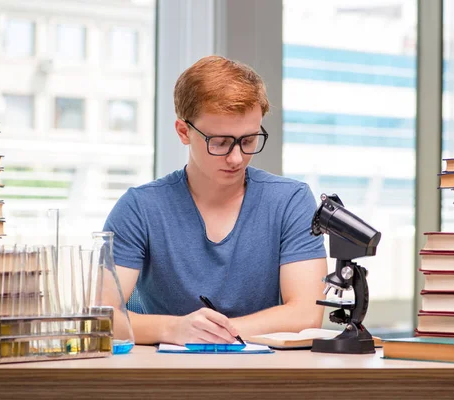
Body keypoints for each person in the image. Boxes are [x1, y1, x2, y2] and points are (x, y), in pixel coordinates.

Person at [103, 55, 328, 345]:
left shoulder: (290, 201)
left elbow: (306, 315)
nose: (237, 158)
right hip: (166, 376)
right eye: (220, 143)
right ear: (184, 132)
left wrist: (209, 333)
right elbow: (104, 317)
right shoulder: (140, 208)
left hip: (265, 376)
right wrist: (175, 330)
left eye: (248, 140)